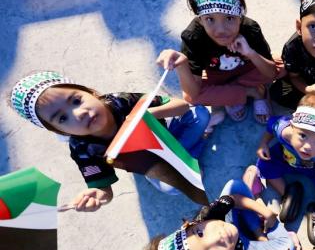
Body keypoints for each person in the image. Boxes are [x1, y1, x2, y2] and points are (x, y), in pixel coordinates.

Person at [10, 70, 210, 211]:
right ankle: (186, 157)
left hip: (167, 134)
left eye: (76, 100)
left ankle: (185, 157)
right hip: (150, 163)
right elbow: (103, 188)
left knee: (200, 114)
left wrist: (148, 114)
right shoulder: (82, 149)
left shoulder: (120, 101)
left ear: (91, 92)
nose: (79, 113)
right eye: (62, 118)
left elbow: (181, 105)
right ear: (59, 131)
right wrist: (98, 196)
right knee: (171, 189)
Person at [139, 172, 300, 250]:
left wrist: (265, 212)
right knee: (289, 248)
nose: (217, 237)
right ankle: (261, 229)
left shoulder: (205, 218)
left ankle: (258, 232)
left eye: (200, 233)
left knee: (234, 186)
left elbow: (233, 199)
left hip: (233, 230)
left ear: (189, 225)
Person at [166, 0, 276, 130]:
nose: (221, 30)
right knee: (190, 96)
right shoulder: (193, 37)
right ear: (200, 18)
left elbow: (271, 73)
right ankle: (252, 92)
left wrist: (250, 53)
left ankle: (229, 95)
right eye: (210, 19)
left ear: (240, 14)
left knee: (283, 66)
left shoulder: (250, 29)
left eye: (229, 18)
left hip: (247, 69)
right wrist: (182, 65)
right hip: (218, 76)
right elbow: (192, 94)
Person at [256, 93, 315, 248]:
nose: (308, 147)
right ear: (293, 127)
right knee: (264, 164)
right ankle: (287, 193)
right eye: (303, 135)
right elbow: (270, 127)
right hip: (286, 159)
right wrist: (263, 144)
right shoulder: (283, 130)